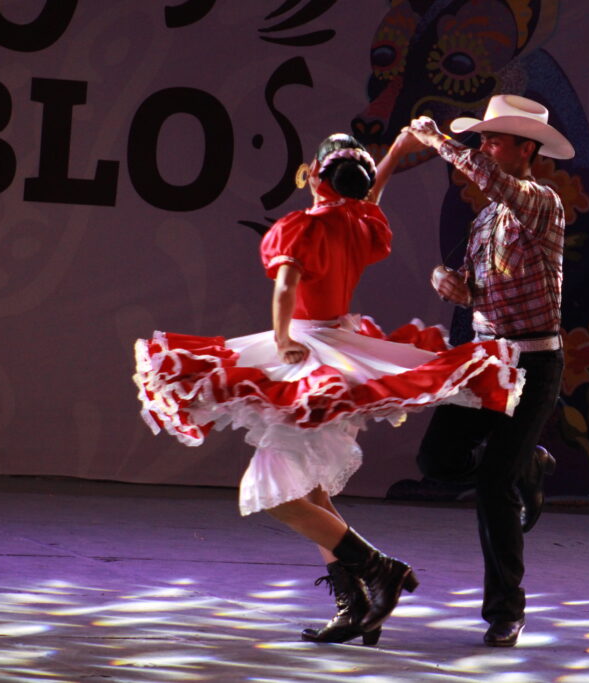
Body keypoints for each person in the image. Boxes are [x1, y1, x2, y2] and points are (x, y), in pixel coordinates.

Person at [133, 131, 525, 646]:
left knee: (275, 494)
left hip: (311, 352)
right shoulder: (357, 223)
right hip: (340, 346)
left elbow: (286, 285)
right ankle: (356, 599)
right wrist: (395, 156)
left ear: (315, 178)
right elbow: (368, 197)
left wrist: (280, 339)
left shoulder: (304, 227)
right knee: (311, 489)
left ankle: (379, 570)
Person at [405, 94, 573, 647]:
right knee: (436, 460)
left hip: (532, 362)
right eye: (481, 138)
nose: (483, 146)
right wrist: (446, 282)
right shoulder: (483, 224)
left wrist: (438, 142)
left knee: (493, 487)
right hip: (485, 360)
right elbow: (472, 285)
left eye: (493, 138)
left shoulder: (542, 202)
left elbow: (495, 181)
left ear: (526, 149)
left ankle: (505, 611)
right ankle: (526, 469)